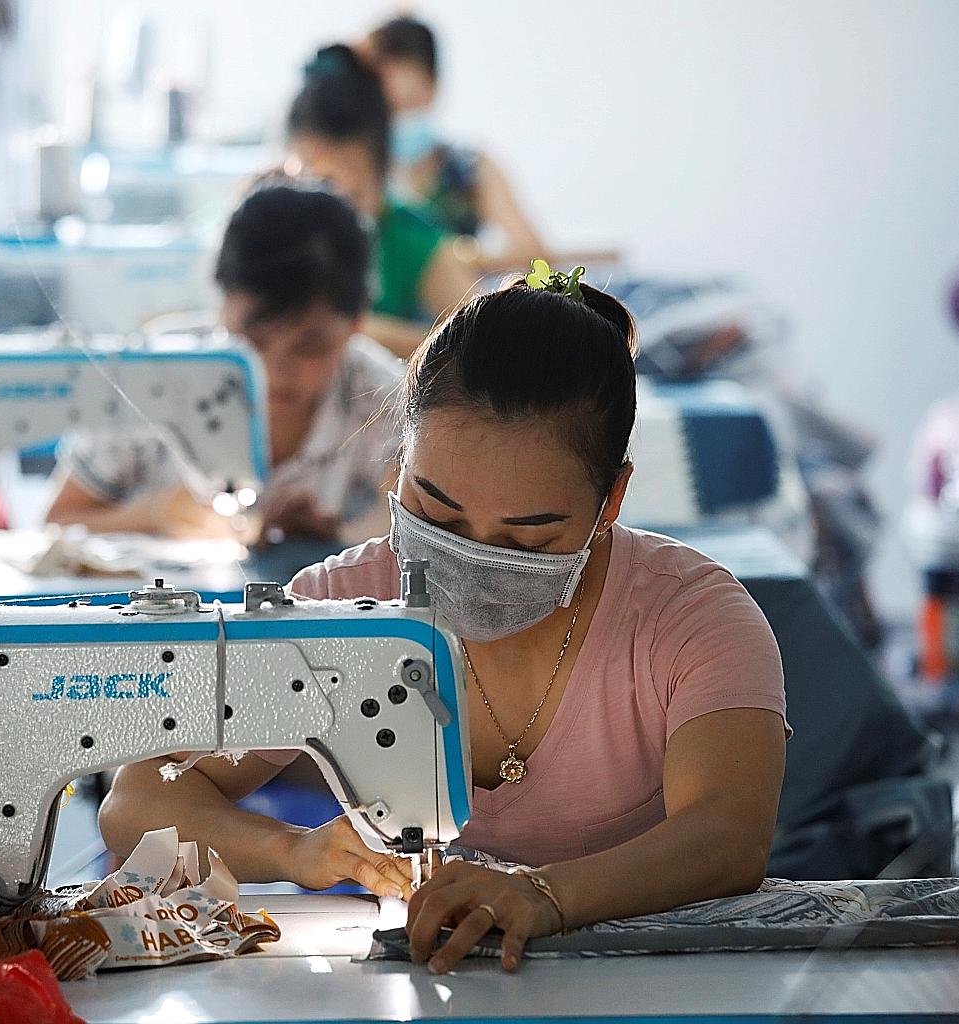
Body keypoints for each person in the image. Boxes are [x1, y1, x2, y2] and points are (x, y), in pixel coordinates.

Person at [98, 265, 789, 973]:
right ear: (401, 457)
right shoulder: (340, 608)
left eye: (527, 538)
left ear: (611, 501)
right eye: (436, 512)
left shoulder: (693, 619)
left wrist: (545, 896)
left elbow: (727, 834)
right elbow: (137, 798)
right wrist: (292, 850)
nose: (471, 555)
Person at [46, 178, 402, 545]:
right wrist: (153, 514)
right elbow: (55, 522)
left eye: (309, 347)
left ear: (356, 326)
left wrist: (336, 538)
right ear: (221, 307)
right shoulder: (149, 377)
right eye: (252, 340)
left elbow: (414, 534)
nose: (273, 371)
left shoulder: (381, 400)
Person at [361, 15, 620, 274]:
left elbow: (535, 255)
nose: (399, 115)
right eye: (388, 106)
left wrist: (460, 259)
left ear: (434, 87)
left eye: (409, 100)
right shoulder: (359, 175)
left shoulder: (468, 170)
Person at [284, 43, 481, 359]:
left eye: (352, 194)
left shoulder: (412, 240)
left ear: (383, 172)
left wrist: (357, 331)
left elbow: (484, 341)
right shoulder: (265, 228)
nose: (334, 210)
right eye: (318, 188)